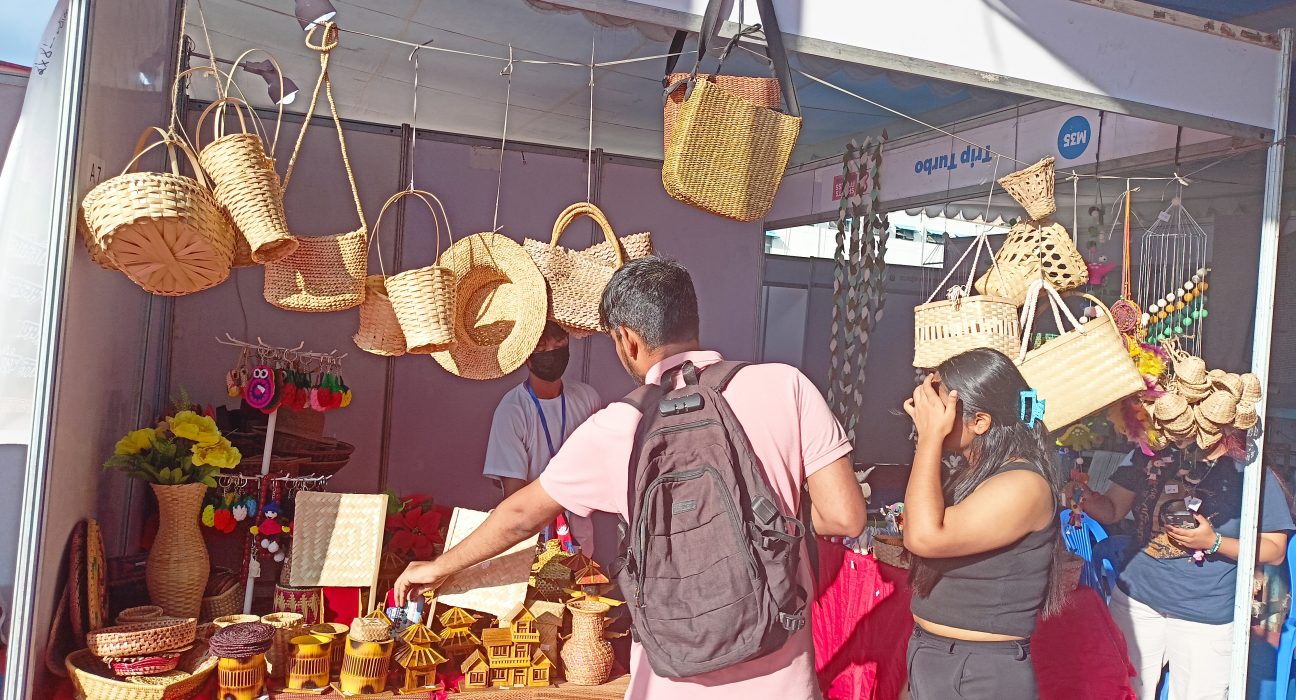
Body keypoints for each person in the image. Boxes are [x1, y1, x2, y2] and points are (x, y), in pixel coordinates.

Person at [396, 257, 867, 699]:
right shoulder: (787, 385)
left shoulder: (620, 424)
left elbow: (519, 514)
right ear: (691, 319)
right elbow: (845, 518)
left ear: (627, 339)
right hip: (782, 677)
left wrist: (437, 567)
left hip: (671, 680)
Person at [902, 348, 1065, 699]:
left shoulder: (1024, 484)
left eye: (940, 406)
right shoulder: (974, 473)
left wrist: (928, 438)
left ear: (980, 422)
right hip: (935, 654)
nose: (928, 414)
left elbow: (925, 537)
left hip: (979, 671)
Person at [1076, 447, 1292, 699]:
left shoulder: (1249, 468)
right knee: (1119, 690)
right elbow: (1112, 509)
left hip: (1204, 612)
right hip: (1135, 600)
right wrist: (1085, 497)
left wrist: (1214, 542)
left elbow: (1274, 549)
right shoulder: (1146, 453)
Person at [482, 320, 602, 554]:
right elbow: (514, 497)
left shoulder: (587, 398)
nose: (552, 351)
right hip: (532, 542)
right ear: (526, 356)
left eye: (559, 342)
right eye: (541, 346)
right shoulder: (512, 410)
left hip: (579, 542)